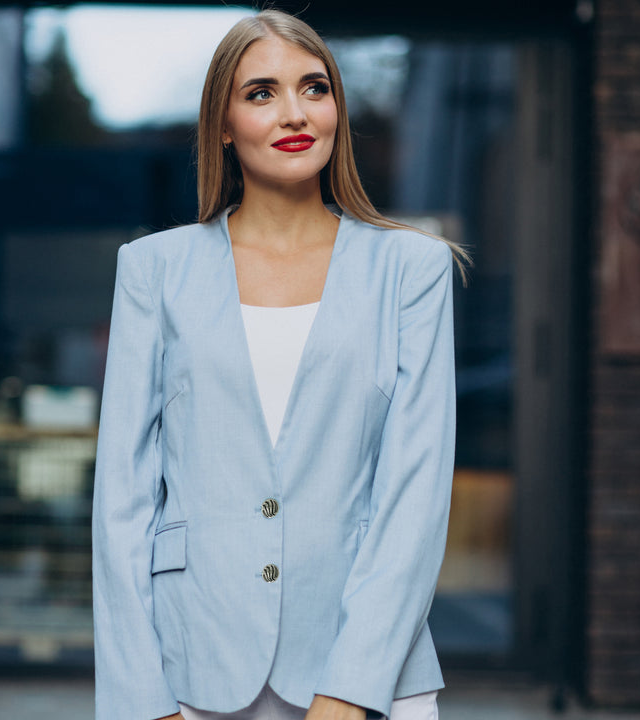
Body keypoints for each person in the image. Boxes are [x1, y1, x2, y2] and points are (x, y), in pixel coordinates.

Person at [92, 9, 466, 720]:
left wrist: (350, 690)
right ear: (224, 123)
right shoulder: (153, 270)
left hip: (369, 669)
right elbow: (123, 503)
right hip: (191, 667)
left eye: (315, 88)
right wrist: (142, 698)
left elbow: (414, 493)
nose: (294, 112)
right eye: (261, 92)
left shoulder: (411, 268)